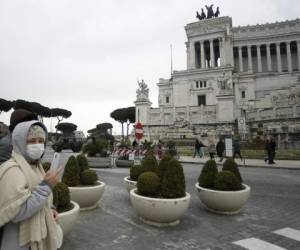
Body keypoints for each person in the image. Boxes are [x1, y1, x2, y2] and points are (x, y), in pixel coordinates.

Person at [0, 120, 63, 250]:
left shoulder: (35, 166)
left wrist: (50, 209)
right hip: (18, 242)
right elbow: (17, 213)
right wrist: (46, 186)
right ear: (20, 142)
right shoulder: (12, 169)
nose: (38, 145)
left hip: (38, 238)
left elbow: (40, 200)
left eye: (41, 141)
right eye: (32, 141)